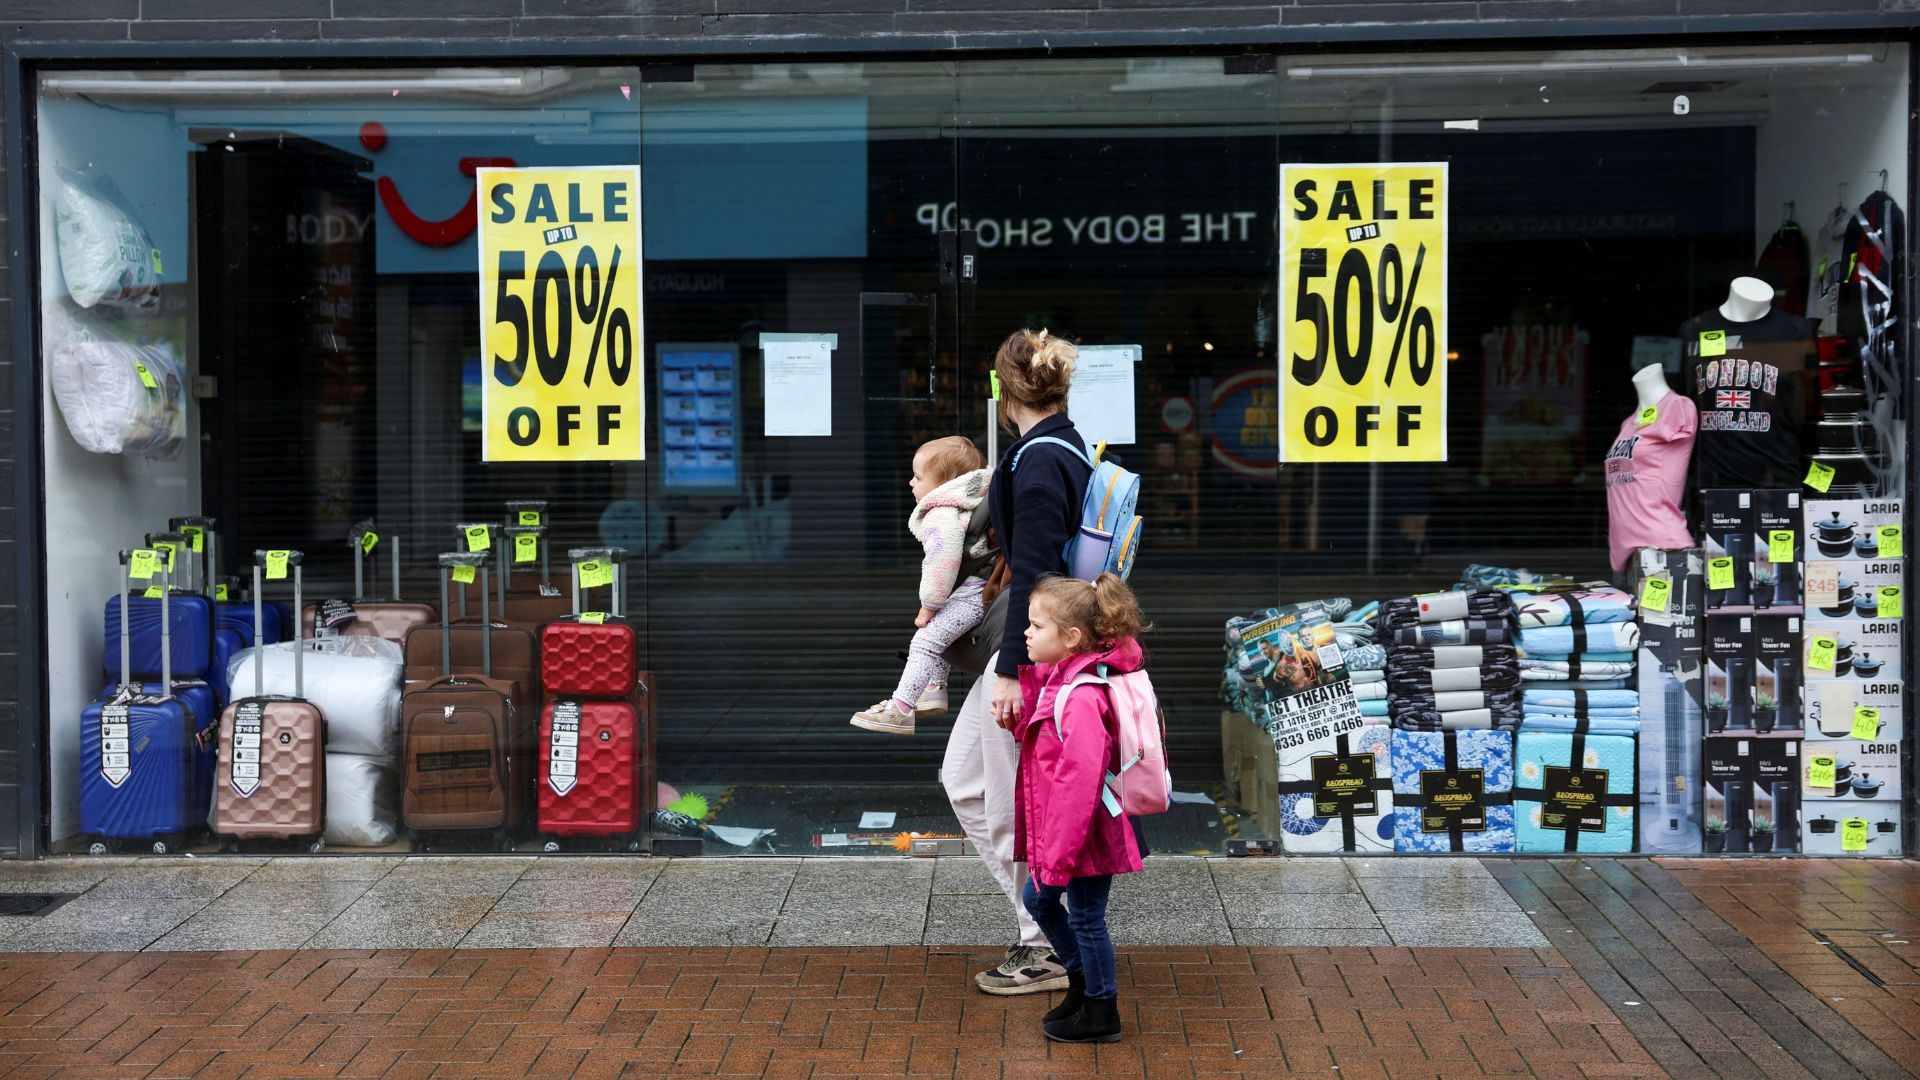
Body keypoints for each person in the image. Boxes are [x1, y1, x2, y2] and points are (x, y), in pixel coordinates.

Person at [942, 328, 1092, 997]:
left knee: (1002, 800)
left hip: (1027, 654)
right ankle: (1044, 927)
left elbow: (1036, 573)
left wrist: (1010, 669)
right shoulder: (1062, 443)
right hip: (1036, 646)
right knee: (966, 782)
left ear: (1004, 389)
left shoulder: (1036, 461)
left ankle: (1044, 943)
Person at [1016, 573, 1149, 1044]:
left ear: (1071, 639)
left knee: (1085, 917)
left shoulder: (1082, 696)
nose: (1025, 633)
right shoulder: (1061, 680)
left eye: (1036, 626)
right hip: (1073, 830)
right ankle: (1083, 986)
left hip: (1087, 831)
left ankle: (1101, 1011)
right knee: (1039, 902)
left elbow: (1078, 783)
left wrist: (1057, 857)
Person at [851, 436, 992, 735]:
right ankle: (934, 689)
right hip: (978, 589)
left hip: (971, 593)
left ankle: (900, 709)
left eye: (918, 477)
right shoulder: (970, 498)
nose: (910, 483)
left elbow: (942, 562)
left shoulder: (942, 513)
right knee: (940, 638)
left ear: (947, 482)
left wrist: (929, 605)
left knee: (925, 640)